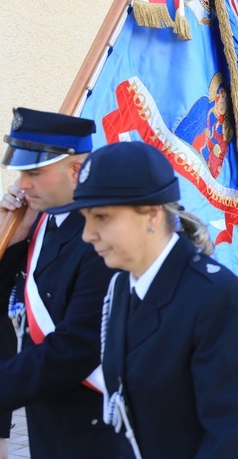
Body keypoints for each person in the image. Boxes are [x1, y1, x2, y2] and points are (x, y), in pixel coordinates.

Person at [60, 141, 238, 457]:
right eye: (85, 217)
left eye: (101, 217)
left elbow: (230, 439)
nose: (87, 234)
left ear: (153, 214)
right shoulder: (120, 287)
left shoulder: (216, 297)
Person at [0, 108, 119, 457]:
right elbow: (10, 314)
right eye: (21, 173)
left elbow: (75, 349)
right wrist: (13, 237)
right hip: (49, 426)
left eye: (34, 172)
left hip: (96, 433)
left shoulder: (103, 236)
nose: (21, 185)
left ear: (76, 170)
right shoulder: (40, 224)